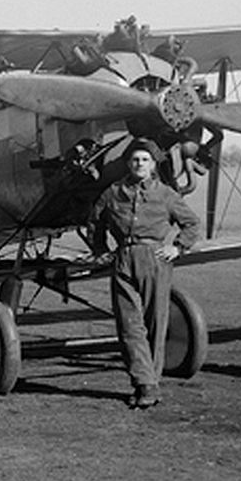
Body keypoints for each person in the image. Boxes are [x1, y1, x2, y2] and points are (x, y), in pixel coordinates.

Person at [87, 138, 201, 410]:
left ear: (153, 166)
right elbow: (94, 222)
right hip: (123, 259)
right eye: (135, 160)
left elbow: (191, 223)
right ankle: (145, 383)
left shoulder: (166, 194)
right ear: (128, 163)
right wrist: (101, 249)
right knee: (129, 325)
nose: (140, 164)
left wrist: (178, 247)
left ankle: (149, 383)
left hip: (155, 259)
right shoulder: (113, 192)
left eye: (145, 160)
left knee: (155, 322)